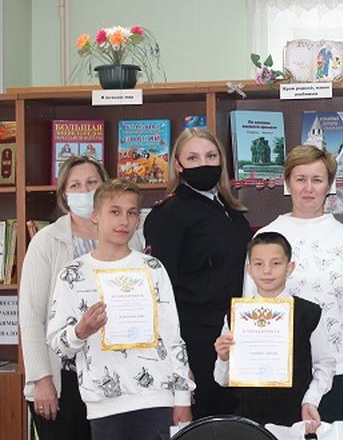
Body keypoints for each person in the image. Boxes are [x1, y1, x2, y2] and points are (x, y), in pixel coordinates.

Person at [46, 180, 194, 440]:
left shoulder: (152, 268)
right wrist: (81, 331)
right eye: (115, 212)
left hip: (156, 398)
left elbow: (172, 336)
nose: (124, 221)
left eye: (132, 212)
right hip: (103, 403)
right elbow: (58, 345)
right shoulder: (73, 274)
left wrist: (182, 397)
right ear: (96, 216)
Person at [19, 156, 144, 440]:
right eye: (75, 185)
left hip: (117, 378)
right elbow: (31, 317)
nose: (84, 191)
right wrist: (41, 379)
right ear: (64, 194)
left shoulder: (130, 236)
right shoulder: (47, 241)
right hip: (63, 379)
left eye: (91, 183)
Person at [244, 145, 343, 421]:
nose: (308, 188)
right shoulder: (266, 235)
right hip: (276, 368)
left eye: (317, 179)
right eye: (300, 179)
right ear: (287, 182)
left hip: (335, 368)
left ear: (329, 185)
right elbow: (250, 304)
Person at [144, 128, 252, 418]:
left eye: (210, 156)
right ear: (178, 165)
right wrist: (179, 368)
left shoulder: (231, 210)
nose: (204, 164)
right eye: (193, 158)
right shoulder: (168, 214)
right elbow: (160, 296)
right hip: (196, 343)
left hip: (236, 338)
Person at [213, 232, 335, 433]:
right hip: (248, 419)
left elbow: (325, 364)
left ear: (289, 267)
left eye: (276, 263)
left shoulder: (309, 313)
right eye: (258, 264)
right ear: (249, 269)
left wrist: (310, 400)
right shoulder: (236, 314)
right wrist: (224, 358)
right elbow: (222, 380)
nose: (267, 271)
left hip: (294, 419)